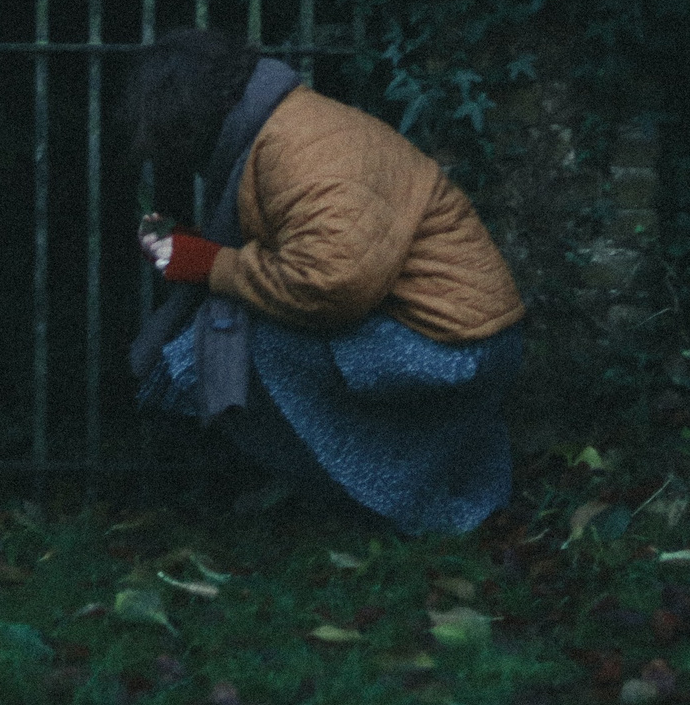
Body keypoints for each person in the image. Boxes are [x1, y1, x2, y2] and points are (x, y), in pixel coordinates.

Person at [122, 28, 525, 534]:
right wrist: (196, 250)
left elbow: (332, 283)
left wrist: (210, 264)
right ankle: (400, 498)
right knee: (229, 333)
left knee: (222, 346)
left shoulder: (299, 147)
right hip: (449, 333)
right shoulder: (288, 126)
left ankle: (393, 510)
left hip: (459, 352)